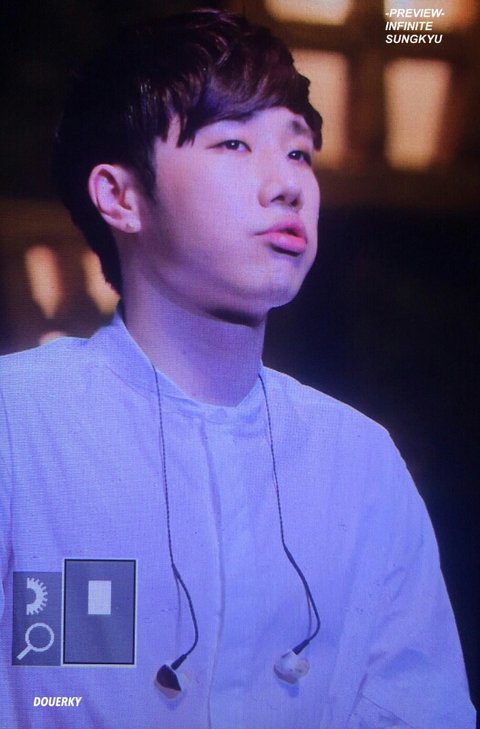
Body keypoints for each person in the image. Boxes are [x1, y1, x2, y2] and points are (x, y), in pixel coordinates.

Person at [0, 8, 475, 729]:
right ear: (121, 196)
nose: (287, 185)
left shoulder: (361, 463)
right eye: (233, 142)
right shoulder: (21, 427)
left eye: (299, 153)